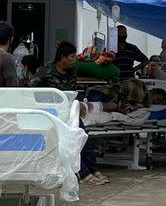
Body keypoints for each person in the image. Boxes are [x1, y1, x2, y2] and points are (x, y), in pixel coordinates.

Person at [30, 42, 109, 186]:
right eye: (72, 57)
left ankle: (93, 169)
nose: (74, 59)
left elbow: (73, 92)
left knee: (84, 139)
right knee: (69, 144)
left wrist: (79, 105)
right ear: (62, 57)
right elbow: (31, 90)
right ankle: (84, 174)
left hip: (69, 112)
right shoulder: (46, 71)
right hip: (52, 116)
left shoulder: (72, 72)